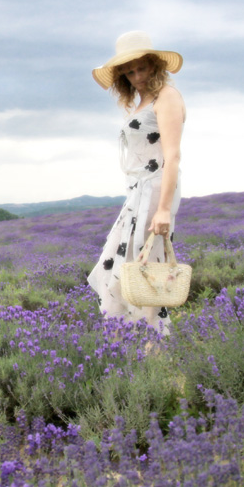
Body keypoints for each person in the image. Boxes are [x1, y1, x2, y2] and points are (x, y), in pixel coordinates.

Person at [86, 31, 186, 333]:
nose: (136, 76)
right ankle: (129, 340)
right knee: (122, 264)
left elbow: (172, 157)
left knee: (147, 268)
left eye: (141, 68)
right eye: (129, 72)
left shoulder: (167, 96)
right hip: (139, 191)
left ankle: (155, 345)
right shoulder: (144, 101)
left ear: (154, 65)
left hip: (157, 188)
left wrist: (164, 209)